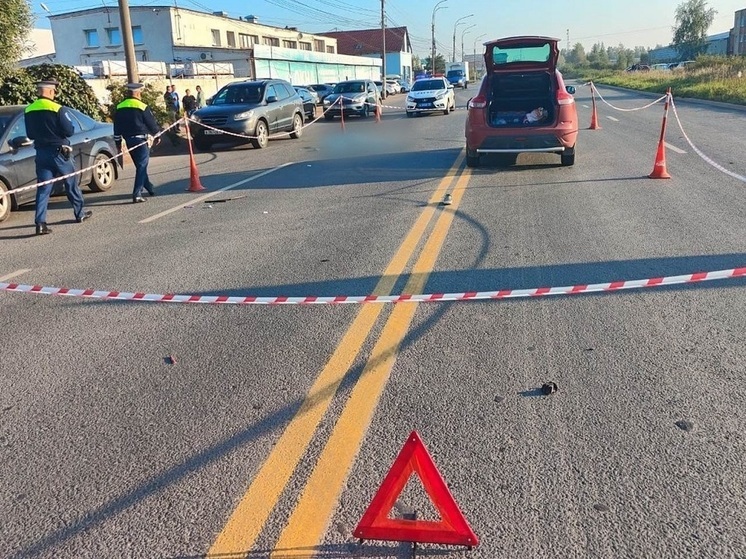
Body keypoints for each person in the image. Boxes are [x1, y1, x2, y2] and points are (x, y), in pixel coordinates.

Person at [24, 79, 92, 235]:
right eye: (54, 91)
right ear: (49, 91)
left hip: (41, 153)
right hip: (60, 152)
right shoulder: (57, 108)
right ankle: (79, 213)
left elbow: (30, 134)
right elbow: (69, 131)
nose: (54, 94)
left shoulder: (29, 110)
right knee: (71, 182)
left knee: (43, 188)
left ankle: (40, 223)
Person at [113, 83, 161, 203]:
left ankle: (149, 187)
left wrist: (118, 142)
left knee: (140, 166)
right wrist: (157, 135)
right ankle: (137, 193)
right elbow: (151, 123)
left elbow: (116, 127)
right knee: (142, 166)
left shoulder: (119, 107)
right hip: (140, 140)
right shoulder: (142, 106)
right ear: (138, 93)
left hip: (128, 140)